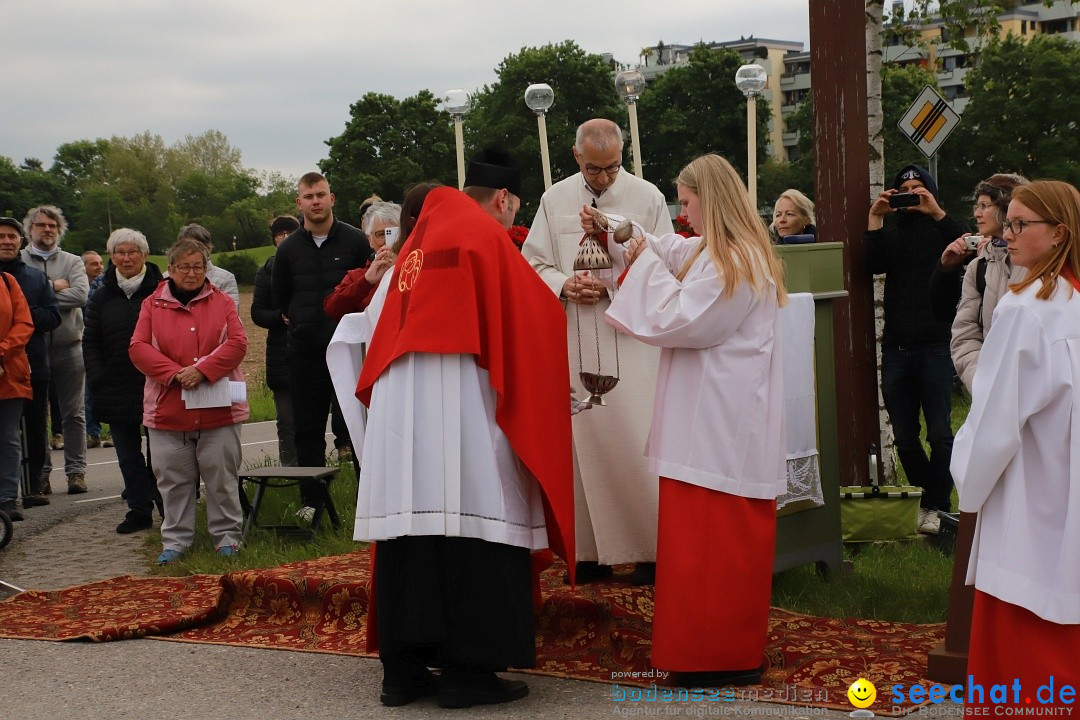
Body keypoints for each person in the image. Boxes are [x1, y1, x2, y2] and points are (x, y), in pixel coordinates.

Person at [354, 150, 574, 709]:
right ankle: (467, 674)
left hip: (403, 416)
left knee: (410, 535)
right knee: (475, 524)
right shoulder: (485, 236)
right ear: (504, 199)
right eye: (512, 209)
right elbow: (531, 317)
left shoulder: (414, 249)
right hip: (464, 409)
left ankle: (401, 674)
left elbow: (374, 323)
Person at [603, 153, 787, 687]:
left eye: (687, 202)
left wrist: (640, 264)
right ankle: (700, 650)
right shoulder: (720, 248)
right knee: (698, 549)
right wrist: (629, 235)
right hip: (709, 421)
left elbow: (685, 317)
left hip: (720, 427)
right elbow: (673, 249)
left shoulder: (740, 257)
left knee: (713, 550)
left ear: (712, 197)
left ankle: (713, 655)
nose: (683, 215)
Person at [521, 118, 673, 584]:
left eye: (611, 168)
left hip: (631, 340)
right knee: (582, 442)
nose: (603, 179)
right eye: (593, 169)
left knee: (636, 438)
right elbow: (534, 262)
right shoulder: (555, 198)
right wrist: (564, 284)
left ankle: (648, 550)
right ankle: (584, 554)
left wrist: (619, 280)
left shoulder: (647, 197)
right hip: (577, 337)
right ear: (575, 157)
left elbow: (667, 262)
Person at [951, 180, 1080, 708]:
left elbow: (996, 420)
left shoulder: (1024, 307)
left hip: (1030, 486)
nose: (1007, 234)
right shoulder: (1072, 298)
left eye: (1020, 225)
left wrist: (968, 481)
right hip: (1064, 471)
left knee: (1022, 629)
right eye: (1008, 223)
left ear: (1059, 234)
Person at [129, 237, 248, 564]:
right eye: (184, 267)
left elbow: (237, 343)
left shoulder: (222, 301)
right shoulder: (151, 305)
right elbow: (138, 348)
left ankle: (227, 539)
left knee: (222, 480)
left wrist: (203, 371)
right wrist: (176, 373)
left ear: (206, 268)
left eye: (198, 266)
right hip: (168, 409)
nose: (192, 273)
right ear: (171, 270)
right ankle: (176, 542)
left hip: (219, 409)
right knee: (173, 482)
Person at [866, 165, 967, 535]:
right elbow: (873, 264)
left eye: (918, 188)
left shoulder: (944, 230)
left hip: (936, 345)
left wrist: (936, 211)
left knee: (940, 432)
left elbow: (970, 250)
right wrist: (874, 218)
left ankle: (937, 506)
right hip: (897, 347)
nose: (911, 194)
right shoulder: (892, 234)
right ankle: (932, 501)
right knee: (905, 437)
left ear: (932, 192)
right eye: (904, 190)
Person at [273, 172, 368, 514]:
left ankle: (367, 501)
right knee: (307, 431)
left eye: (321, 195)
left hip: (350, 352)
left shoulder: (356, 242)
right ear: (299, 203)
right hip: (306, 354)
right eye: (308, 196)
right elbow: (283, 296)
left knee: (360, 429)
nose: (315, 201)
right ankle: (311, 504)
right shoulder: (289, 251)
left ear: (332, 198)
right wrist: (301, 322)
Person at [83, 228, 165, 534]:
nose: (126, 258)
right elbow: (89, 340)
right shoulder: (101, 294)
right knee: (127, 455)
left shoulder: (161, 291)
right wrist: (97, 377)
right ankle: (139, 510)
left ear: (144, 255)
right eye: (120, 252)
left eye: (132, 252)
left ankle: (167, 508)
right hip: (114, 385)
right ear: (111, 256)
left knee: (161, 455)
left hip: (156, 384)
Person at [928, 174, 1027, 390]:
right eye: (976, 205)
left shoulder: (1040, 263)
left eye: (984, 205)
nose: (976, 213)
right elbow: (964, 332)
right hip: (990, 388)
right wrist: (981, 382)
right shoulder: (977, 266)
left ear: (1007, 209)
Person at [20, 205, 90, 495]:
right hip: (29, 350)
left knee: (74, 413)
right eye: (41, 225)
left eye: (52, 225)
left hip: (68, 347)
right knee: (35, 414)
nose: (47, 229)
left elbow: (81, 296)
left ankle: (76, 472)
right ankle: (41, 473)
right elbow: (16, 301)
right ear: (30, 229)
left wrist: (39, 292)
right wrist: (54, 287)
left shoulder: (73, 261)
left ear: (59, 230)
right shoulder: (18, 260)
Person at [0, 217, 59, 508]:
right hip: (7, 361)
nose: (6, 241)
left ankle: (34, 484)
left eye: (12, 236)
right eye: (1, 236)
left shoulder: (35, 278)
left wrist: (21, 314)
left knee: (34, 428)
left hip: (30, 362)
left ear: (21, 242)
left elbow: (52, 317)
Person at [251, 215, 300, 466]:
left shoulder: (309, 265)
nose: (285, 238)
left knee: (311, 418)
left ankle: (318, 468)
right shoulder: (266, 271)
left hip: (311, 350)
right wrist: (279, 317)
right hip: (280, 353)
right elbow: (256, 313)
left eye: (290, 233)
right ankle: (290, 467)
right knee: (287, 419)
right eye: (280, 234)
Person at [322, 201, 401, 320]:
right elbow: (332, 309)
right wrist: (366, 282)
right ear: (370, 240)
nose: (387, 241)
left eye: (394, 234)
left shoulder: (416, 269)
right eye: (380, 234)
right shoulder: (358, 276)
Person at [0, 260, 35, 522]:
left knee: (7, 436)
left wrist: (1, 351)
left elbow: (24, 323)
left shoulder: (8, 281)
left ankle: (7, 499)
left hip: (8, 372)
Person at [82, 249, 109, 449]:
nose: (99, 267)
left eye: (100, 263)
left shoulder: (106, 284)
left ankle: (111, 432)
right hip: (84, 342)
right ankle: (93, 432)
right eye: (94, 264)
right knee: (87, 391)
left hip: (105, 342)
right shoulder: (80, 285)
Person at [173, 224, 239, 306]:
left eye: (198, 246)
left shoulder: (225, 278)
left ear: (208, 248)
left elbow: (231, 313)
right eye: (187, 246)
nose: (192, 250)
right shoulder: (167, 278)